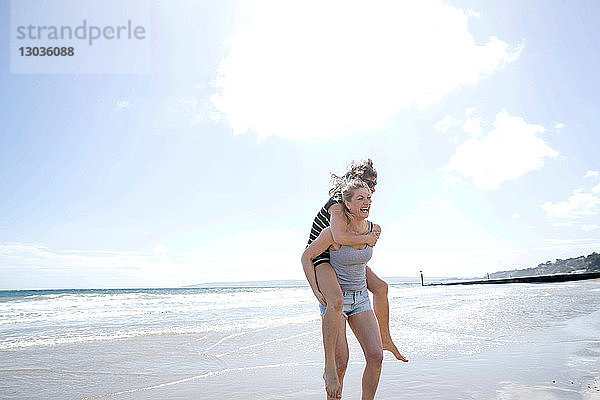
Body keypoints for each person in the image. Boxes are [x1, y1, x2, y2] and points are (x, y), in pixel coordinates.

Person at [303, 160, 407, 399]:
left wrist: (369, 236)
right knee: (336, 302)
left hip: (350, 278)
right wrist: (368, 238)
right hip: (322, 256)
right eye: (368, 186)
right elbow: (338, 236)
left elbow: (354, 242)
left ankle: (386, 339)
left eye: (372, 189)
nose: (371, 193)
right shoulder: (337, 206)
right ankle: (328, 366)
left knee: (380, 287)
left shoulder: (365, 220)